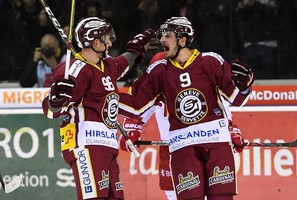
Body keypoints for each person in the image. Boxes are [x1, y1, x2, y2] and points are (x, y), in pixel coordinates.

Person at [118, 16, 254, 200]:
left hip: (216, 143)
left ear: (183, 40)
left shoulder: (210, 61)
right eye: (162, 35)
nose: (162, 40)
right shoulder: (159, 70)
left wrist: (245, 86)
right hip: (182, 146)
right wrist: (100, 92)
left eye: (168, 35)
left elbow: (235, 99)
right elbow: (135, 105)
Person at [41, 16, 154, 200]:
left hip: (108, 145)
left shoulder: (107, 65)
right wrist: (56, 101)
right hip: (86, 145)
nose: (110, 42)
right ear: (95, 41)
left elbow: (124, 62)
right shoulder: (75, 70)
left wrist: (137, 50)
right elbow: (50, 110)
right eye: (107, 38)